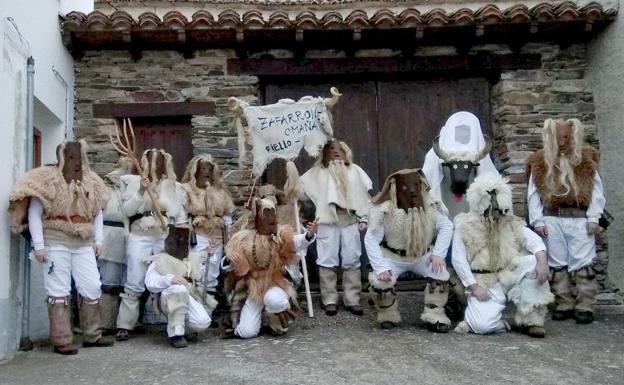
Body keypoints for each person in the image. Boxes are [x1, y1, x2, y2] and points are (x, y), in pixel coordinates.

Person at [8, 140, 114, 354]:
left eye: (79, 156)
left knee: (92, 286)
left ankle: (93, 335)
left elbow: (97, 213)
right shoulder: (46, 181)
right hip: (56, 241)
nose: (76, 162)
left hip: (83, 241)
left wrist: (99, 240)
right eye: (71, 156)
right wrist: (39, 245)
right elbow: (35, 213)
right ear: (62, 157)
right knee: (58, 289)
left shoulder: (92, 182)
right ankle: (61, 339)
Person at [452, 173, 553, 337]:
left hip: (509, 271)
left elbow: (534, 241)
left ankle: (532, 320)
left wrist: (542, 262)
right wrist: (473, 286)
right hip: (484, 281)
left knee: (535, 261)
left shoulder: (510, 220)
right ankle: (502, 323)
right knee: (480, 326)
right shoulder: (464, 225)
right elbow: (458, 260)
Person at [526, 118, 606, 324]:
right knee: (557, 262)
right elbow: (533, 193)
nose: (562, 141)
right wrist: (538, 221)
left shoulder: (586, 159)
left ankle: (585, 304)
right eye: (558, 137)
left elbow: (597, 190)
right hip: (552, 217)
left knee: (583, 261)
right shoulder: (539, 161)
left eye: (565, 137)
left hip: (580, 219)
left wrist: (594, 217)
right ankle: (564, 302)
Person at [365, 169, 454, 332]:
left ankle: (435, 315)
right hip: (393, 256)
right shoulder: (384, 210)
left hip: (423, 256)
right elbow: (371, 238)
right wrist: (380, 267)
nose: (412, 190)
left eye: (416, 185)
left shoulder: (431, 206)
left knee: (440, 274)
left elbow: (447, 226)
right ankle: (387, 314)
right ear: (395, 188)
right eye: (406, 187)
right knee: (380, 280)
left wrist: (438, 253)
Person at [116, 149, 188, 340]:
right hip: (140, 235)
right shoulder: (134, 183)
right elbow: (128, 211)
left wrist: (179, 237)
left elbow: (180, 217)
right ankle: (126, 324)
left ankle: (172, 323)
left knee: (167, 277)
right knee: (135, 279)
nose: (158, 166)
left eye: (161, 162)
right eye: (154, 162)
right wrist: (140, 190)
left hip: (164, 236)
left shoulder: (175, 187)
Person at [224, 196, 317, 338]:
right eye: (266, 214)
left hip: (275, 284)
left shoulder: (281, 235)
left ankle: (274, 311)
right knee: (246, 332)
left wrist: (309, 235)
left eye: (273, 213)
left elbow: (297, 242)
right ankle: (263, 318)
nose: (271, 218)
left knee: (275, 302)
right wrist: (231, 262)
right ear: (257, 219)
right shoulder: (243, 239)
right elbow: (229, 263)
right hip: (253, 288)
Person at [299, 139, 372, 316]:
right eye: (331, 149)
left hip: (349, 220)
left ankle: (352, 299)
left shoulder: (355, 171)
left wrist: (364, 218)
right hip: (326, 221)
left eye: (340, 149)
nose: (336, 151)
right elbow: (300, 190)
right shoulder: (317, 172)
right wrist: (293, 186)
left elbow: (363, 197)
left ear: (346, 152)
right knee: (326, 258)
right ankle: (329, 299)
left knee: (352, 258)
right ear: (324, 152)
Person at [144, 225, 214, 348]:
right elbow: (150, 282)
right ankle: (176, 334)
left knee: (202, 322)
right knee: (178, 289)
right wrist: (170, 279)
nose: (181, 243)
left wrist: (209, 256)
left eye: (184, 240)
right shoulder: (160, 259)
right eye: (178, 239)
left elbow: (200, 276)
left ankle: (185, 329)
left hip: (189, 294)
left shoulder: (190, 259)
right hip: (168, 298)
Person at [181, 155, 235, 298]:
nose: (206, 172)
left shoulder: (221, 192)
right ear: (195, 171)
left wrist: (228, 241)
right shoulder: (186, 190)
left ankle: (207, 312)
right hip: (197, 238)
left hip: (216, 239)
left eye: (209, 169)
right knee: (195, 271)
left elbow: (227, 216)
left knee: (211, 274)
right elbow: (182, 215)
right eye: (202, 168)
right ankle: (195, 311)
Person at [98, 157, 134, 334]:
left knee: (131, 283)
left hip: (132, 234)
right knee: (109, 282)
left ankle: (126, 323)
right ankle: (106, 323)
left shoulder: (135, 186)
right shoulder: (107, 187)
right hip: (110, 234)